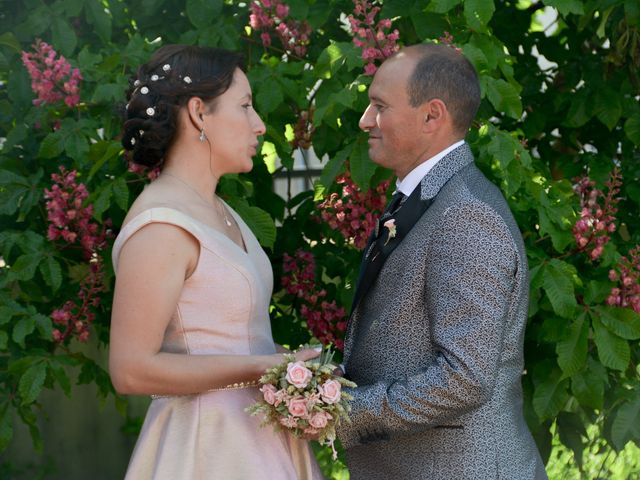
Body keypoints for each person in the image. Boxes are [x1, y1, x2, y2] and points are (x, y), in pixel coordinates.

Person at [109, 44, 323, 480]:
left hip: (261, 439)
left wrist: (295, 367)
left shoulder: (223, 211)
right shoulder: (161, 225)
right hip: (208, 448)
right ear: (198, 114)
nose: (260, 125)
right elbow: (131, 369)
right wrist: (262, 368)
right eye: (245, 106)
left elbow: (233, 337)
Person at [336, 43, 548, 479]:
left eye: (379, 106)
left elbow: (464, 377)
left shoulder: (467, 214)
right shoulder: (431, 199)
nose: (365, 121)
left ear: (432, 115)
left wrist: (345, 411)